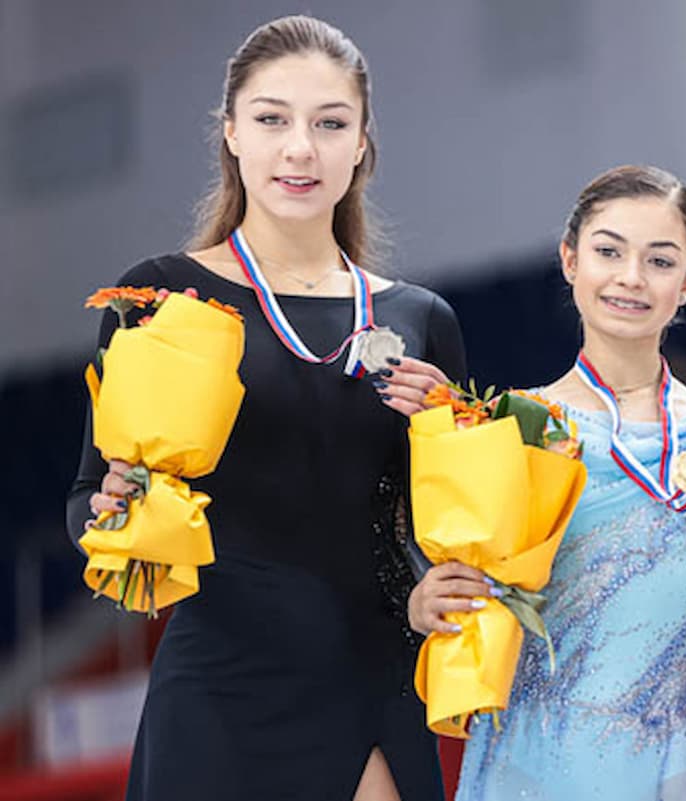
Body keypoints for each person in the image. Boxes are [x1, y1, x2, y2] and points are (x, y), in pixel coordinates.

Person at [66, 16, 463, 800]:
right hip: (221, 691)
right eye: (272, 119)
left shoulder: (422, 319)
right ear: (232, 135)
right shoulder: (156, 296)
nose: (300, 148)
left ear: (362, 144)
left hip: (375, 683)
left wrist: (443, 436)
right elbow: (86, 500)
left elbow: (444, 528)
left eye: (329, 123)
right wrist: (114, 517)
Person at [384, 165, 686, 800]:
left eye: (659, 260)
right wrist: (426, 602)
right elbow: (458, 605)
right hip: (527, 766)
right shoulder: (508, 427)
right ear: (570, 260)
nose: (631, 277)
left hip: (663, 771)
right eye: (608, 251)